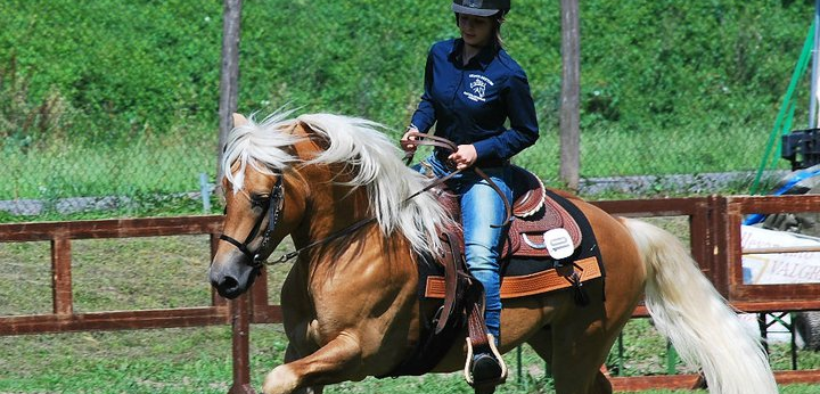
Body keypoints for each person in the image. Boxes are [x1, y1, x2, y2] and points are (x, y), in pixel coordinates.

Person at [401, 0, 539, 381]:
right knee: (389, 211)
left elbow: (526, 131)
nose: (468, 26)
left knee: (479, 255)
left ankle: (485, 349)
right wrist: (416, 127)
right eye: (463, 17)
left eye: (477, 20)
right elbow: (431, 99)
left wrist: (480, 149)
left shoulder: (508, 74)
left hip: (485, 176)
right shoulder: (440, 54)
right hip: (439, 165)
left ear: (496, 21)